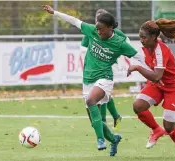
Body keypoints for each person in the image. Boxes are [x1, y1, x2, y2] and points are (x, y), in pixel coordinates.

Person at [42, 5, 138, 156]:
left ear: (109, 27)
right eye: (96, 26)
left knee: (92, 101)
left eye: (100, 27)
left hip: (105, 77)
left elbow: (133, 50)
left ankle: (100, 139)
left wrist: (151, 69)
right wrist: (55, 12)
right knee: (95, 120)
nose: (98, 30)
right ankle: (113, 139)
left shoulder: (118, 39)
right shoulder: (92, 31)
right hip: (88, 79)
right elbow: (74, 21)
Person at [127, 18, 175, 158]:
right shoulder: (145, 48)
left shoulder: (160, 50)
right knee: (138, 105)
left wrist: (138, 68)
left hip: (173, 86)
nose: (141, 40)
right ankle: (156, 130)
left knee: (169, 126)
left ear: (153, 37)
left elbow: (157, 76)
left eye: (144, 37)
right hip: (157, 85)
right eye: (140, 36)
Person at [81, 9, 122, 132]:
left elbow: (122, 44)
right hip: (93, 67)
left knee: (101, 94)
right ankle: (116, 116)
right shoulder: (92, 32)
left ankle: (103, 122)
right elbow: (83, 49)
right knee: (102, 95)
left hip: (107, 66)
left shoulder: (113, 34)